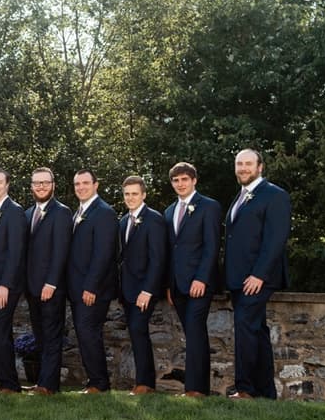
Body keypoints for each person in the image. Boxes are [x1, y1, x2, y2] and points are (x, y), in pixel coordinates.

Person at [225, 149, 291, 400]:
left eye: (248, 164)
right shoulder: (241, 196)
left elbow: (275, 240)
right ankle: (266, 392)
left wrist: (259, 275)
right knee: (257, 332)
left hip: (257, 279)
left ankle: (245, 389)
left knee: (245, 329)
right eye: (239, 164)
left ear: (260, 167)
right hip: (239, 278)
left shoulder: (275, 195)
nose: (243, 168)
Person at [164, 162, 221, 398]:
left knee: (196, 331)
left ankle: (196, 389)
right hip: (177, 285)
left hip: (199, 283)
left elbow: (212, 246)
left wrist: (202, 279)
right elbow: (169, 250)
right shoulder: (168, 212)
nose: (180, 184)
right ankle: (197, 387)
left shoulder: (208, 206)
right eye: (176, 180)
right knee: (191, 333)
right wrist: (168, 285)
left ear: (194, 180)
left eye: (184, 179)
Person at [67, 169, 117, 394]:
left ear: (96, 185)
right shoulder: (80, 211)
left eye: (85, 183)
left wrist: (91, 286)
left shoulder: (104, 212)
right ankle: (94, 381)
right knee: (84, 332)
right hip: (78, 286)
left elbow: (104, 253)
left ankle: (99, 383)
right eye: (77, 184)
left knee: (88, 332)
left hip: (93, 288)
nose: (81, 187)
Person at [23, 167, 72, 396]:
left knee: (52, 336)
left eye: (45, 183)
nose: (41, 187)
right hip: (32, 287)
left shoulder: (62, 212)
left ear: (53, 184)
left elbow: (61, 251)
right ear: (31, 186)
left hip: (51, 287)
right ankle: (43, 381)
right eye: (36, 183)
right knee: (40, 337)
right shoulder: (27, 214)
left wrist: (51, 283)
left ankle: (49, 385)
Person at [118, 176, 167, 395]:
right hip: (127, 289)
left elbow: (158, 258)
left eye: (134, 194)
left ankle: (145, 384)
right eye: (127, 194)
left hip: (144, 289)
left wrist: (148, 290)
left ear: (144, 195)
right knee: (135, 332)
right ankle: (143, 383)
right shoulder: (123, 221)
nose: (130, 198)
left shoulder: (153, 219)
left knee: (139, 330)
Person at [0, 167, 26, 394]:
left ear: (7, 184)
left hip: (4, 286)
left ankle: (9, 383)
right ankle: (6, 382)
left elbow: (16, 252)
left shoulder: (15, 211)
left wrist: (5, 285)